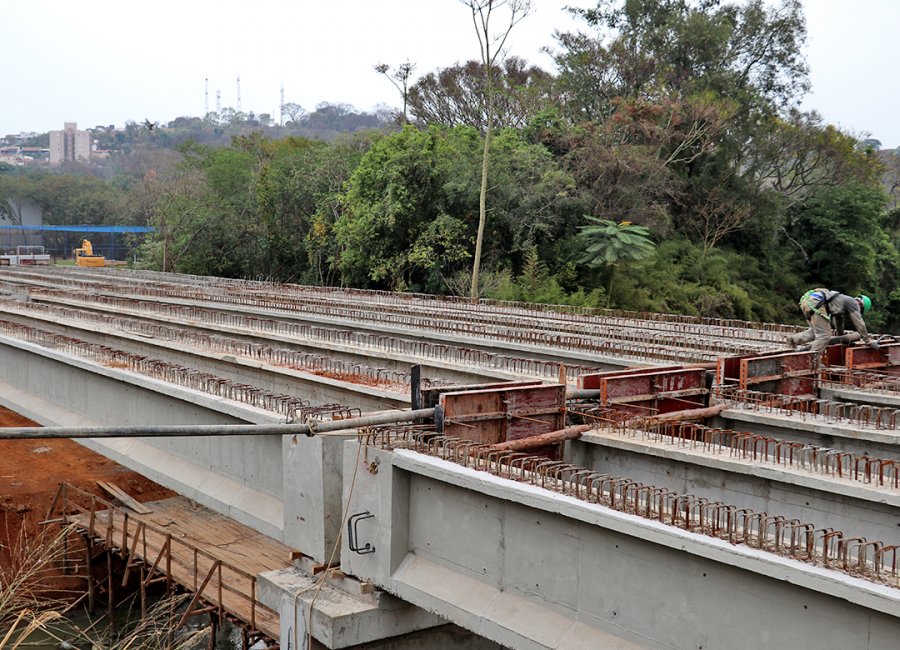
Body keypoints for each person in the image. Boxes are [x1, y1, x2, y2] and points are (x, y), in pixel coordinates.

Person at [786, 289, 878, 362]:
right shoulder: (853, 303)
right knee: (824, 335)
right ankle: (812, 361)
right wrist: (868, 340)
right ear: (861, 305)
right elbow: (859, 323)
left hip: (808, 301)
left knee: (816, 332)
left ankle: (793, 340)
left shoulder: (841, 302)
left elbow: (838, 322)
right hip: (816, 304)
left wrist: (841, 338)